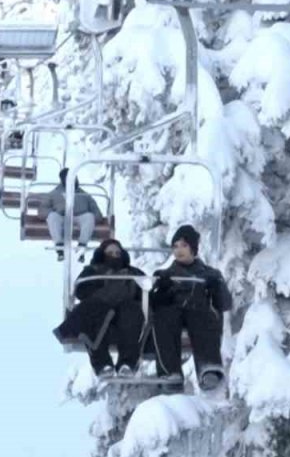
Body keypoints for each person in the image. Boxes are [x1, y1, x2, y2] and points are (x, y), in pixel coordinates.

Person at [149, 225, 233, 392]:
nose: (179, 250)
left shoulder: (210, 274)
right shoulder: (164, 274)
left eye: (184, 245)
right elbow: (152, 303)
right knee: (163, 318)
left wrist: (217, 286)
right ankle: (170, 373)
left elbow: (224, 304)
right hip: (173, 311)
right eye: (175, 246)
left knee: (203, 317)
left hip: (198, 310)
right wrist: (162, 291)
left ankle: (208, 368)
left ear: (193, 248)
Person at [54, 240, 145, 377]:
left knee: (131, 311)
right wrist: (105, 291)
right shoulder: (92, 271)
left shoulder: (133, 272)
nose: (114, 256)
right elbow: (81, 291)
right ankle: (103, 365)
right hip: (101, 312)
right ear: (102, 254)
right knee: (95, 311)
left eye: (117, 253)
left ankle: (127, 363)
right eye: (110, 253)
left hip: (125, 311)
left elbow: (145, 290)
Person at [46, 168, 103, 262]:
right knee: (52, 216)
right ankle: (59, 246)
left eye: (74, 178)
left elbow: (97, 212)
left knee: (89, 216)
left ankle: (82, 245)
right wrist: (57, 211)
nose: (73, 181)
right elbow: (42, 210)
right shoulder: (54, 194)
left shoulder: (85, 195)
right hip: (62, 217)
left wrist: (93, 218)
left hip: (80, 217)